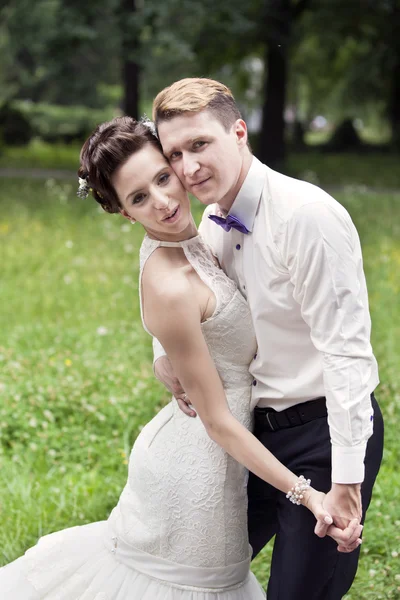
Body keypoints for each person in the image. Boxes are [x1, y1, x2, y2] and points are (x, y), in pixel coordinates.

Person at [0, 117, 360, 600]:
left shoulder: (206, 226)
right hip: (199, 465)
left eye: (162, 178)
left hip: (241, 444)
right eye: (139, 198)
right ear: (126, 214)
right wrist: (307, 493)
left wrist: (161, 354)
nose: (164, 201)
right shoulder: (169, 279)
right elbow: (216, 420)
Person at [151, 78, 384, 600]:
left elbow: (346, 354)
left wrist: (345, 481)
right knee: (192, 575)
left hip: (323, 436)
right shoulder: (210, 223)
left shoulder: (307, 217)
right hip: (251, 437)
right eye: (175, 154)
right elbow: (188, 302)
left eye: (200, 145)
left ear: (239, 132)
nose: (188, 168)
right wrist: (162, 356)